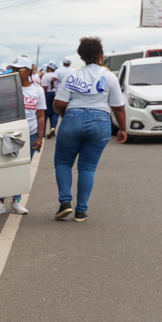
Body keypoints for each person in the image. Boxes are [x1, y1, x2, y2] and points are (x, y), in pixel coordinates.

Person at [51, 37, 127, 222]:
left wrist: (61, 110)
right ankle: (81, 211)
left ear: (81, 56)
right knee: (87, 168)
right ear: (100, 55)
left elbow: (59, 103)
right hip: (100, 121)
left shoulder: (73, 75)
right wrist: (122, 129)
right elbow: (117, 106)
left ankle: (64, 203)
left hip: (73, 119)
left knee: (63, 162)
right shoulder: (110, 76)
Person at [0, 56, 46, 216]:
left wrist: (40, 137)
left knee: (22, 168)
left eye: (17, 70)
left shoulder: (37, 90)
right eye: (12, 69)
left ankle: (16, 201)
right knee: (6, 167)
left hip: (30, 134)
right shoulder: (8, 88)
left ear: (28, 71)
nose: (13, 72)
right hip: (9, 134)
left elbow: (40, 115)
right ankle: (0, 202)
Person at [40, 60, 60, 138]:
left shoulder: (46, 75)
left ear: (48, 67)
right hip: (56, 94)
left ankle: (43, 130)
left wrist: (43, 97)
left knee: (46, 113)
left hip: (48, 94)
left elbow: (44, 87)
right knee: (54, 113)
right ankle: (53, 127)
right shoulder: (56, 75)